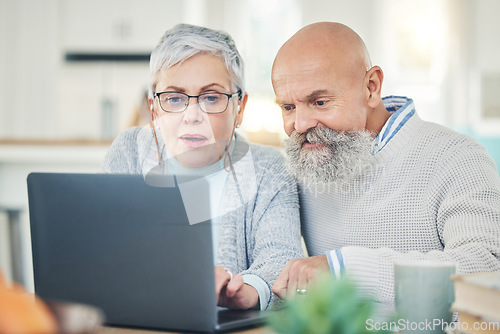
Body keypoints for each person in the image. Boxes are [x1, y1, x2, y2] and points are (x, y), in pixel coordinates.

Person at [271, 22, 500, 306]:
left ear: (371, 87)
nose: (300, 125)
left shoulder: (459, 157)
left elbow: (487, 272)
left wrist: (347, 269)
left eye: (319, 101)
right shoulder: (307, 163)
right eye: (288, 108)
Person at [100, 23, 304, 310]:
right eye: (174, 98)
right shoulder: (129, 152)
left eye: (211, 97)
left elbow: (281, 257)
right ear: (154, 109)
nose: (192, 115)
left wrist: (247, 290)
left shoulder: (269, 168)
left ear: (239, 109)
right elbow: (104, 249)